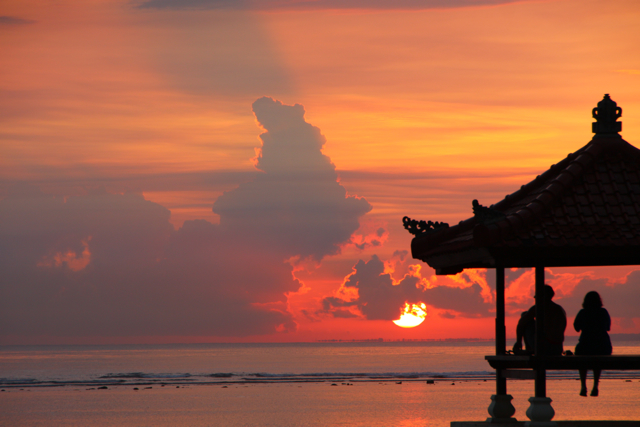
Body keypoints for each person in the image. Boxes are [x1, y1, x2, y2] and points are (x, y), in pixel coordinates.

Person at [574, 291, 612, 397]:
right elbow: (608, 327)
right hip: (602, 345)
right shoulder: (603, 312)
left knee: (581, 361)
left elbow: (576, 327)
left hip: (585, 344)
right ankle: (595, 385)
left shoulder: (583, 312)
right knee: (598, 362)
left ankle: (583, 386)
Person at [513, 284, 567, 356]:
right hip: (557, 348)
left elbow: (521, 324)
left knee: (524, 316)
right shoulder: (559, 309)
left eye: (536, 296)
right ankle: (530, 349)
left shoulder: (539, 307)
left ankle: (529, 349)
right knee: (527, 317)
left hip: (544, 347)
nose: (534, 298)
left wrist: (518, 342)